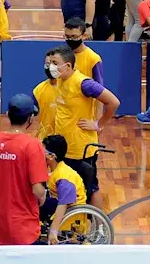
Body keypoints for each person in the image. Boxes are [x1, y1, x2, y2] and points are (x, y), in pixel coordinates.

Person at [47, 45, 119, 205]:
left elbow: (113, 102)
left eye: (54, 62)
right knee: (67, 188)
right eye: (50, 62)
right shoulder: (61, 79)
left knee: (91, 188)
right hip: (64, 148)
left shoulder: (84, 83)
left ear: (67, 65)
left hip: (81, 149)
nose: (51, 66)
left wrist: (98, 124)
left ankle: (99, 227)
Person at [0, 94, 48, 245]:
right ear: (30, 118)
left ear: (7, 115)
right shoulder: (32, 145)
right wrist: (43, 197)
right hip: (25, 227)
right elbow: (38, 190)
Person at [39, 135, 86, 244]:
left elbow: (63, 204)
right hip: (60, 203)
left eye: (42, 151)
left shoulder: (64, 179)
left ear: (52, 156)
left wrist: (53, 231)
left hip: (71, 210)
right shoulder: (57, 169)